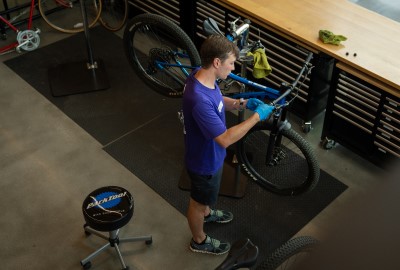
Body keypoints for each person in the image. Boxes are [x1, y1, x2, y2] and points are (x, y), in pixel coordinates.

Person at [181, 34, 274, 255]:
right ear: (216, 62)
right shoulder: (198, 99)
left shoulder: (201, 76)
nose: (233, 69)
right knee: (197, 202)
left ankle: (207, 211)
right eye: (231, 63)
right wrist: (256, 117)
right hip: (203, 163)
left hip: (211, 155)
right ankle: (199, 240)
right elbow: (225, 138)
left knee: (205, 200)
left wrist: (241, 103)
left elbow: (217, 100)